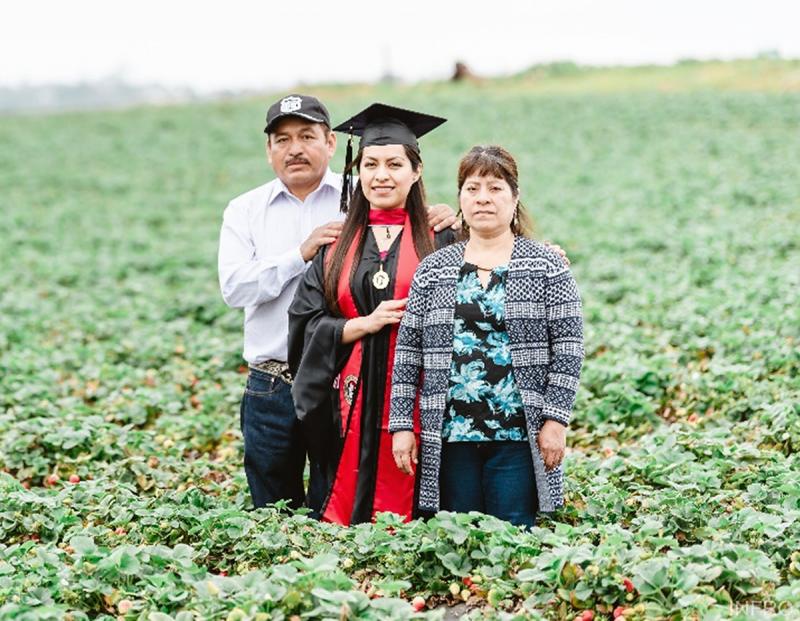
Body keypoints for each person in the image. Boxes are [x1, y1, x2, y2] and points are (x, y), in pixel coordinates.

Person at [218, 95, 456, 514]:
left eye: (307, 136)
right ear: (269, 149)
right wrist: (302, 254)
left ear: (331, 143)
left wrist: (446, 217)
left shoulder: (363, 201)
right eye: (282, 139)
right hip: (280, 381)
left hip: (370, 389)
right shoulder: (247, 210)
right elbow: (235, 289)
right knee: (278, 505)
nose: (295, 148)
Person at [389, 145, 584, 528]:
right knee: (458, 533)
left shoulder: (546, 265)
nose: (483, 198)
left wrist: (555, 420)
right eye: (473, 188)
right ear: (460, 198)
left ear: (514, 197)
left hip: (517, 433)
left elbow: (569, 349)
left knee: (513, 530)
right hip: (451, 432)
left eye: (495, 188)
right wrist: (401, 425)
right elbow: (408, 352)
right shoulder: (434, 269)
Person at [288, 103, 459, 525]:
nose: (381, 175)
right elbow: (305, 323)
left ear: (416, 171)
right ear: (357, 171)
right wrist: (358, 325)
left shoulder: (443, 239)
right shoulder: (335, 245)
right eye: (371, 164)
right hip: (348, 403)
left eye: (394, 164)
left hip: (422, 401)